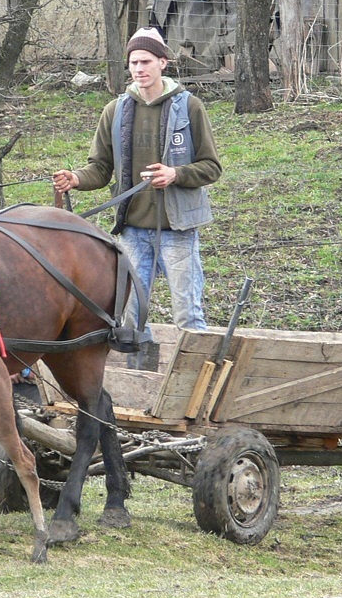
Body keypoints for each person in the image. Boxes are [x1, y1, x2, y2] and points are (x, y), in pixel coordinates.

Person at [53, 27, 222, 368]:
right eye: (133, 62)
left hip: (178, 230)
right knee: (129, 320)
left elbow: (211, 167)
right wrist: (75, 179)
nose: (139, 69)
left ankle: (194, 388)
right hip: (131, 231)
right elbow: (99, 170)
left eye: (146, 61)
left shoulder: (189, 107)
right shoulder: (114, 112)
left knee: (187, 315)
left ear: (163, 62)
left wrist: (176, 174)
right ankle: (138, 388)